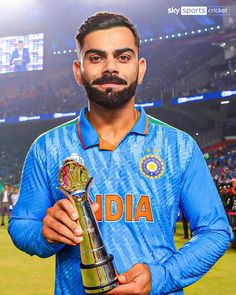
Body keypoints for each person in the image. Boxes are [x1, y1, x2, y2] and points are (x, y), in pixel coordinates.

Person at [9, 12, 230, 295]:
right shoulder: (46, 147)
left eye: (123, 57)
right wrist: (44, 234)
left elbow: (214, 231)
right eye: (96, 58)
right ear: (78, 70)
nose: (110, 67)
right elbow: (21, 225)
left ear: (141, 68)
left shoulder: (180, 146)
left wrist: (161, 277)